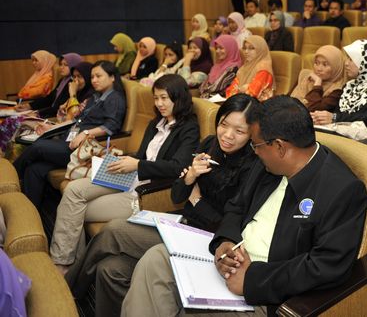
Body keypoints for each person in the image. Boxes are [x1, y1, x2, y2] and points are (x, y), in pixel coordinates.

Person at [121, 96, 367, 317]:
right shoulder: (267, 164)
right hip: (230, 261)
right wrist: (225, 241)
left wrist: (252, 280)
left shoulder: (342, 190)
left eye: (256, 145)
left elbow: (326, 266)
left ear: (280, 147)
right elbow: (236, 207)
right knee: (155, 261)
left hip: (265, 290)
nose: (254, 152)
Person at [65, 94, 261, 317]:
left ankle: (68, 290)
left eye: (239, 131)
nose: (227, 135)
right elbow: (177, 195)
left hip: (206, 241)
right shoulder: (209, 144)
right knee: (108, 269)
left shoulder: (253, 167)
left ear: (252, 133)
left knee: (113, 230)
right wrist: (190, 178)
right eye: (224, 124)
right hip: (182, 224)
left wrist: (196, 200)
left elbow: (227, 223)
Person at [50, 74, 200, 274]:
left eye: (164, 98)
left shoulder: (189, 128)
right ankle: (69, 262)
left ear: (178, 97)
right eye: (156, 98)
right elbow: (142, 155)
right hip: (130, 176)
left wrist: (137, 164)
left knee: (75, 209)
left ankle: (66, 265)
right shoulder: (156, 123)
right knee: (73, 190)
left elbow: (177, 167)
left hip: (147, 189)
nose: (159, 103)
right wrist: (120, 159)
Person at [13, 60, 127, 206]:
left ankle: (7, 179)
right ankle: (30, 211)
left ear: (112, 77)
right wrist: (53, 127)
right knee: (34, 169)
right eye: (92, 77)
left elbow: (111, 126)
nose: (94, 80)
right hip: (69, 141)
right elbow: (76, 120)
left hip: (82, 149)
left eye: (98, 76)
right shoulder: (96, 96)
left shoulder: (115, 98)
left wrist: (86, 133)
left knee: (38, 146)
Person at [311, 39, 367, 130]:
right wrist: (320, 117)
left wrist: (335, 118)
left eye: (351, 59)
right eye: (347, 58)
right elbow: (338, 113)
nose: (346, 63)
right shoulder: (350, 85)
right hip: (343, 130)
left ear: (366, 62)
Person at [15, 53, 83, 117]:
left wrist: (38, 113)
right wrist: (29, 106)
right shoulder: (63, 80)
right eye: (61, 64)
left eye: (66, 65)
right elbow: (50, 98)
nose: (61, 67)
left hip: (59, 116)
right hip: (52, 113)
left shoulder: (73, 83)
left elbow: (59, 107)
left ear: (74, 66)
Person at [290, 45, 346, 111]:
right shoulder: (307, 77)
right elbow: (290, 101)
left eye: (325, 65)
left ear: (336, 67)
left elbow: (313, 109)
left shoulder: (338, 89)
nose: (319, 69)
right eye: (316, 63)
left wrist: (317, 84)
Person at [226, 36, 274, 101]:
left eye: (251, 48)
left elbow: (252, 94)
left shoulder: (263, 69)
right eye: (245, 48)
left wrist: (241, 90)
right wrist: (242, 90)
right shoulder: (244, 67)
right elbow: (230, 90)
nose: (246, 51)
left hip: (257, 105)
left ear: (260, 50)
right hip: (239, 102)